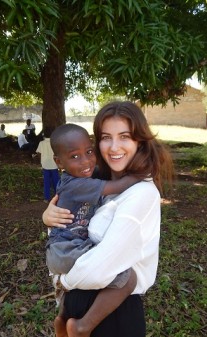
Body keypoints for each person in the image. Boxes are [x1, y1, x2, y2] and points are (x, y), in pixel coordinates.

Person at [43, 101, 174, 337]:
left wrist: (62, 281)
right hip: (78, 311)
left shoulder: (141, 193)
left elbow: (97, 270)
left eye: (124, 136)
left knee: (129, 278)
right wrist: (48, 217)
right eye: (106, 137)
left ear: (139, 141)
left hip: (113, 319)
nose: (114, 147)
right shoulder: (94, 180)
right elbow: (65, 223)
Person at [47, 123, 143, 337]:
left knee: (78, 281)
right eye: (75, 156)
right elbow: (116, 187)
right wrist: (142, 174)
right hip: (67, 250)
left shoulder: (80, 178)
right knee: (129, 279)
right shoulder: (77, 184)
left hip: (63, 248)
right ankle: (83, 327)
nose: (86, 161)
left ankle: (63, 320)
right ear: (58, 162)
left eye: (89, 152)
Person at [35, 127, 60, 203]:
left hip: (45, 164)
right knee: (56, 181)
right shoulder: (54, 143)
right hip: (54, 164)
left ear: (43, 134)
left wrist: (41, 160)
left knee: (46, 182)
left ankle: (46, 198)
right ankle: (57, 197)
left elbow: (38, 153)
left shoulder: (41, 143)